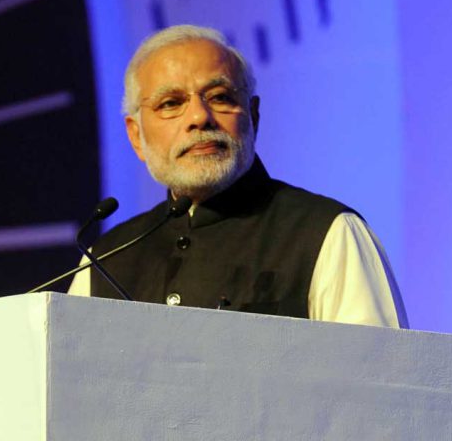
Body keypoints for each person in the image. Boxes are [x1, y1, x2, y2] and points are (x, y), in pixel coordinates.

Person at [68, 24, 406, 328]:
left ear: (253, 116)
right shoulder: (105, 260)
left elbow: (380, 384)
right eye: (171, 103)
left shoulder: (328, 233)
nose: (200, 117)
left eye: (220, 97)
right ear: (135, 136)